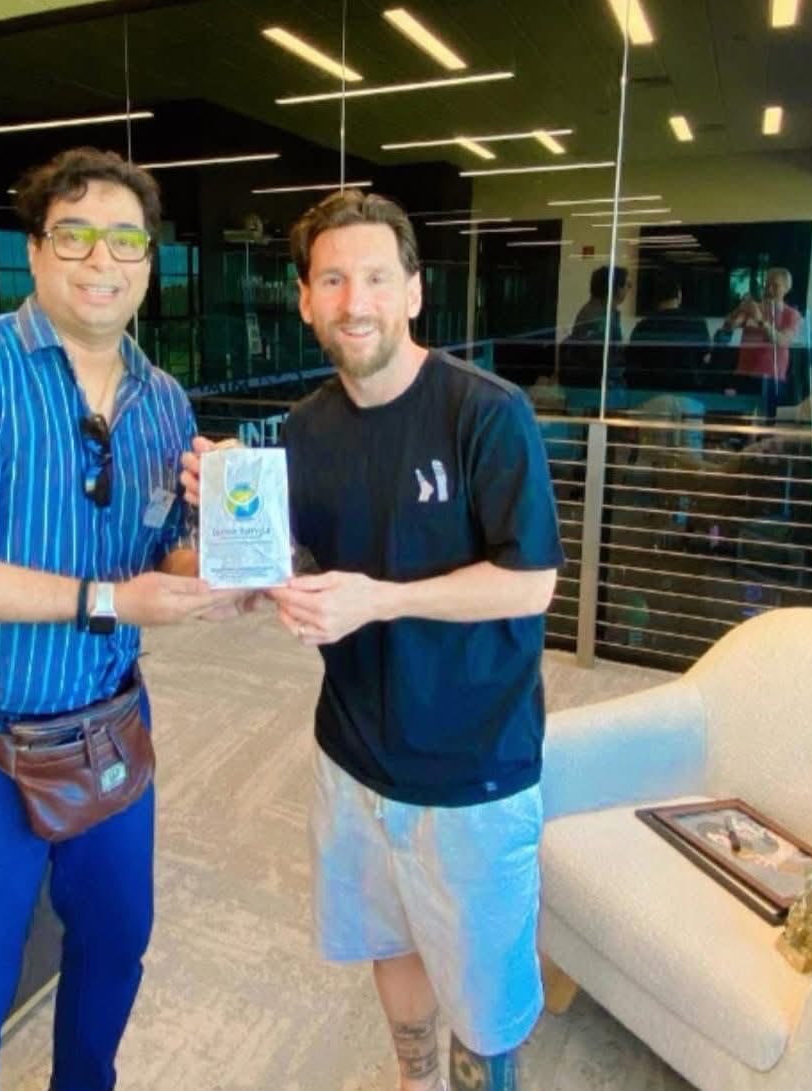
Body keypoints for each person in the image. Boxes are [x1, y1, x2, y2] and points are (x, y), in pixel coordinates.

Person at [0, 146, 238, 1091]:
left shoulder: (163, 403)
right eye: (72, 234)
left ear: (150, 262)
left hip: (110, 727)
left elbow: (164, 561)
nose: (100, 259)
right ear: (35, 252)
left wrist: (225, 555)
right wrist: (112, 600)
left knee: (118, 948)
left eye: (125, 239)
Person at [183, 190, 563, 1091]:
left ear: (414, 293)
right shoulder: (308, 427)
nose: (356, 301)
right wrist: (245, 529)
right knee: (390, 939)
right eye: (334, 279)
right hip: (352, 752)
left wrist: (380, 601)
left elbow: (532, 580)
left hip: (473, 766)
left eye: (377, 278)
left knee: (482, 995)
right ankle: (412, 1079)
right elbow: (313, 558)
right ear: (306, 299)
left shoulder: (485, 411)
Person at [720, 266, 802, 421]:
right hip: (744, 374)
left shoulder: (791, 314)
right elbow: (728, 327)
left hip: (771, 378)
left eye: (775, 285)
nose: (769, 289)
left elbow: (782, 341)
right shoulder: (754, 308)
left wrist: (760, 320)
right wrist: (739, 310)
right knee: (739, 422)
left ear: (786, 288)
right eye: (767, 284)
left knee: (766, 423)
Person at [627, 269, 710, 392]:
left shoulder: (644, 326)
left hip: (650, 393)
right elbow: (704, 356)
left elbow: (632, 361)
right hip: (688, 392)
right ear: (679, 295)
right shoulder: (696, 324)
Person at [559, 264, 628, 394]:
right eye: (627, 285)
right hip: (597, 388)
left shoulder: (599, 311)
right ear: (617, 288)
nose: (628, 289)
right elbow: (603, 360)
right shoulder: (598, 316)